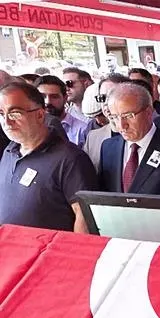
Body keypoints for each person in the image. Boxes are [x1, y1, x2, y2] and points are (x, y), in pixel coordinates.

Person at [0, 82, 97, 232]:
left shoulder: (70, 158)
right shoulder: (9, 151)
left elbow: (84, 216)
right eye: (1, 114)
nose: (7, 122)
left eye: (15, 113)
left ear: (40, 115)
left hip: (50, 246)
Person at [98, 83, 160, 194]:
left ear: (148, 112)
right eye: (115, 117)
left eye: (128, 116)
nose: (122, 125)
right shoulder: (108, 148)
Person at [83, 74, 128, 171]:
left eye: (113, 96)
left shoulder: (143, 133)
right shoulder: (93, 138)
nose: (106, 104)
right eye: (103, 98)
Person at [34, 75, 90, 148]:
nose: (47, 102)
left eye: (54, 97)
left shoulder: (83, 130)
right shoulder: (27, 129)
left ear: (65, 98)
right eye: (42, 97)